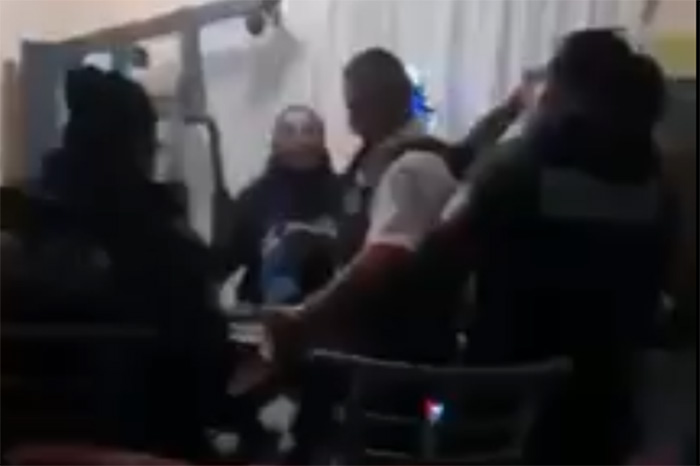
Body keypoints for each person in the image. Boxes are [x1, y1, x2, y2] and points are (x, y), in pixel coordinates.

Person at [401, 30, 670, 463]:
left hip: (499, 411)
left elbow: (433, 264)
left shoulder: (518, 171)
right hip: (605, 415)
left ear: (559, 91)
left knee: (427, 407)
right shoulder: (657, 187)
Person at [266, 48, 531, 463]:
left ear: (389, 99)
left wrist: (305, 315)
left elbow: (386, 259)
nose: (352, 119)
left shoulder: (411, 166)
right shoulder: (389, 161)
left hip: (396, 367)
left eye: (357, 105)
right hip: (388, 357)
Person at [6, 67, 229, 461]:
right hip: (147, 446)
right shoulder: (167, 244)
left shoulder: (17, 227)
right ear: (138, 147)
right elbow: (208, 378)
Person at [216, 105, 342, 306]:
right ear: (275, 142)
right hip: (265, 313)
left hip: (335, 311)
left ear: (322, 140)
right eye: (289, 131)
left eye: (308, 131)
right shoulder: (253, 198)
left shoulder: (345, 193)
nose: (299, 139)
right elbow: (221, 264)